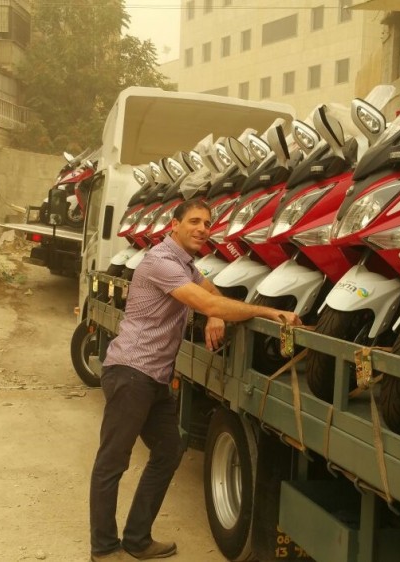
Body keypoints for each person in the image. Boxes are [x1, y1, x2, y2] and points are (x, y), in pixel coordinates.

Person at [89, 199, 301, 561]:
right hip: (131, 372)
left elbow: (211, 296)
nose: (203, 228)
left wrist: (215, 315)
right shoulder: (161, 262)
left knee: (169, 450)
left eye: (207, 223)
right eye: (194, 221)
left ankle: (137, 539)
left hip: (153, 377)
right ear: (174, 225)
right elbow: (209, 303)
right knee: (113, 461)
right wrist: (266, 310)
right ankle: (104, 549)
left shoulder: (185, 264)